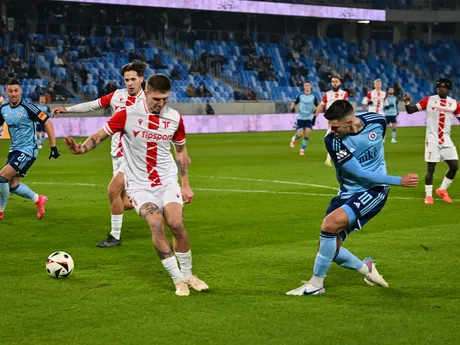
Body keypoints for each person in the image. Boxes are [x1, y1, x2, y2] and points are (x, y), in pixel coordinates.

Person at [64, 74, 208, 297]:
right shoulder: (127, 114)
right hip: (139, 185)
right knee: (157, 224)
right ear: (147, 93)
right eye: (156, 99)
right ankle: (178, 279)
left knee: (176, 224)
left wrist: (185, 184)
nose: (160, 104)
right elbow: (100, 135)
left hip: (167, 180)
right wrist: (80, 149)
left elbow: (181, 152)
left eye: (165, 99)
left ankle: (189, 274)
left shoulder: (175, 118)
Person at [286, 100, 418, 296]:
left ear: (349, 122)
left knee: (329, 225)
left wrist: (393, 181)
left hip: (374, 190)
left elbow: (370, 169)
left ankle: (316, 285)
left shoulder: (378, 121)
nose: (332, 130)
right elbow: (360, 173)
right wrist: (399, 180)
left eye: (335, 126)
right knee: (327, 245)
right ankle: (366, 269)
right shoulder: (333, 140)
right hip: (347, 193)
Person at [53, 62, 147, 247]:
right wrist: (68, 109)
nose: (130, 83)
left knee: (113, 190)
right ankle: (162, 203)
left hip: (136, 156)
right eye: (127, 79)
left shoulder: (148, 103)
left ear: (142, 79)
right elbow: (92, 105)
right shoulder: (117, 96)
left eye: (133, 79)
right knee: (124, 201)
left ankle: (115, 236)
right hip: (116, 154)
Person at [0, 79, 60, 220]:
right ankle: (38, 199)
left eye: (16, 91)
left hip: (28, 150)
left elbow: (48, 123)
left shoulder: (28, 107)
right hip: (14, 150)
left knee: (2, 177)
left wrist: (53, 146)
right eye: (10, 91)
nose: (13, 94)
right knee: (13, 185)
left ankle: (0, 211)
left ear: (20, 91)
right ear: (6, 92)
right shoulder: (4, 108)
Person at [403, 78, 460, 205]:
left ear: (449, 89)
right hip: (432, 140)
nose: (441, 89)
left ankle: (442, 190)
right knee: (431, 168)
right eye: (439, 87)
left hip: (446, 140)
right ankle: (428, 196)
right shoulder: (429, 100)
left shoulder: (454, 104)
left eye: (444, 87)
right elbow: (411, 110)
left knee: (454, 166)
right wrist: (407, 103)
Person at [314, 76, 348, 166]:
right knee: (331, 138)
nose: (334, 83)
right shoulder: (327, 94)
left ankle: (333, 158)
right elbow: (321, 105)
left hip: (340, 119)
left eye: (336, 81)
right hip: (331, 120)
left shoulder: (344, 94)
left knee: (340, 139)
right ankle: (329, 159)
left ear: (340, 83)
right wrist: (315, 116)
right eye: (333, 81)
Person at [289, 81, 319, 156]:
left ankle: (302, 150)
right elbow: (295, 102)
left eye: (308, 85)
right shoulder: (300, 95)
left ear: (310, 86)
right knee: (300, 135)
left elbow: (318, 106)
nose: (307, 87)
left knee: (307, 134)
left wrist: (316, 112)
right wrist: (292, 107)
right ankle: (294, 138)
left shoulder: (313, 96)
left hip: (309, 117)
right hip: (301, 117)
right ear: (304, 86)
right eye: (305, 85)